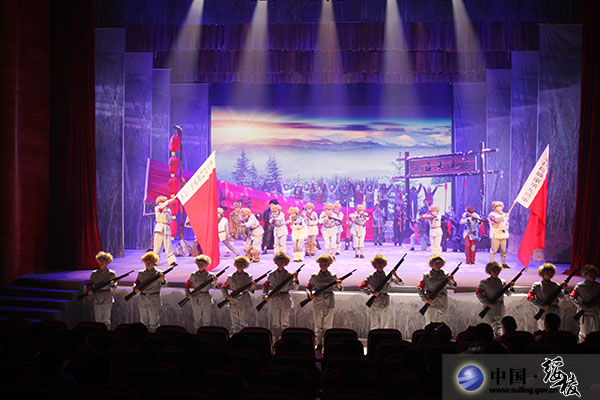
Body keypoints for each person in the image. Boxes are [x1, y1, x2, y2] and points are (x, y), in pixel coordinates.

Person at [306, 254, 342, 350]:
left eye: (325, 264)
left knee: (328, 325)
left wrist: (339, 285)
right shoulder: (314, 276)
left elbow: (338, 288)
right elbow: (308, 286)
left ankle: (327, 344)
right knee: (318, 325)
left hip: (329, 301)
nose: (323, 265)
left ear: (329, 264)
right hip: (318, 301)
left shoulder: (333, 275)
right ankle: (319, 344)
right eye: (321, 263)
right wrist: (309, 294)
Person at [359, 255, 404, 330]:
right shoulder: (371, 276)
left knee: (385, 325)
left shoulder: (389, 276)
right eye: (378, 263)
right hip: (375, 301)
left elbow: (401, 283)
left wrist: (395, 275)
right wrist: (371, 292)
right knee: (374, 325)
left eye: (381, 263)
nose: (380, 265)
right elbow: (361, 287)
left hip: (385, 300)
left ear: (384, 264)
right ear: (375, 265)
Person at [263, 252, 300, 340]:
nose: (280, 263)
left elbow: (295, 288)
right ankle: (276, 339)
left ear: (285, 262)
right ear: (276, 262)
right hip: (275, 297)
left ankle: (285, 339)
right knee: (275, 321)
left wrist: (296, 278)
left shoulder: (289, 274)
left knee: (285, 322)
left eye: (282, 261)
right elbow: (266, 285)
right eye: (278, 261)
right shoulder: (272, 274)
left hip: (285, 297)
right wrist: (265, 294)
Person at [476, 262, 514, 336]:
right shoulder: (485, 282)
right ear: (490, 271)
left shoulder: (502, 282)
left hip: (500, 307)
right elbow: (478, 293)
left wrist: (511, 288)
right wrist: (487, 303)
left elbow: (508, 294)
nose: (496, 272)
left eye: (498, 270)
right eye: (494, 270)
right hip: (490, 307)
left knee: (499, 327)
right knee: (489, 328)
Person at [417, 255, 457, 325]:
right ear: (432, 264)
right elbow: (419, 287)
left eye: (440, 263)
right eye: (436, 263)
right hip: (431, 303)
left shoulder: (445, 274)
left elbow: (453, 285)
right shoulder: (427, 275)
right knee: (429, 325)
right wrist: (425, 299)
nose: (438, 265)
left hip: (442, 303)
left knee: (440, 325)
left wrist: (452, 280)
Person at [527, 263, 568, 331]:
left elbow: (564, 297)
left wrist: (565, 289)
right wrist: (541, 305)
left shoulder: (555, 285)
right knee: (543, 331)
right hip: (543, 313)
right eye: (547, 272)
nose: (549, 274)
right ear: (542, 273)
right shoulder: (537, 285)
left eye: (551, 272)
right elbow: (529, 297)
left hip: (554, 312)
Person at [221, 256, 255, 334]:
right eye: (238, 263)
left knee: (243, 322)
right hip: (233, 300)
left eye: (241, 264)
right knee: (234, 322)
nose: (239, 265)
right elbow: (224, 287)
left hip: (244, 299)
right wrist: (227, 296)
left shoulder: (248, 276)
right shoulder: (230, 277)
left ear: (244, 265)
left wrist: (253, 286)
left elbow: (250, 290)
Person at [134, 251, 167, 332]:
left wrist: (163, 279)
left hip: (154, 298)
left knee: (153, 323)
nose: (148, 264)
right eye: (146, 262)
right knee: (143, 323)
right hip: (143, 298)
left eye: (150, 262)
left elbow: (164, 285)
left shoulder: (158, 273)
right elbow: (137, 282)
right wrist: (135, 287)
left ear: (153, 262)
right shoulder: (141, 273)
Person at [184, 255, 218, 330]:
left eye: (202, 263)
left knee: (206, 319)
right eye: (199, 263)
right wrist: (188, 294)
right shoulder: (193, 274)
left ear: (206, 264)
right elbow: (187, 285)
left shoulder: (210, 275)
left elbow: (215, 287)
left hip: (205, 297)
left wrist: (215, 281)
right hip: (195, 297)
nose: (200, 265)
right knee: (197, 318)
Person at [569, 264, 600, 342]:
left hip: (595, 312)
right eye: (590, 274)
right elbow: (572, 297)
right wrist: (580, 305)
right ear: (585, 275)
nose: (592, 276)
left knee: (595, 333)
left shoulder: (598, 286)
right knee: (584, 333)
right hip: (585, 313)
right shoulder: (580, 286)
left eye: (594, 274)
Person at [86, 251, 116, 328]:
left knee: (106, 320)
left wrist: (112, 284)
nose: (102, 263)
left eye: (104, 261)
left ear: (107, 262)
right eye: (100, 261)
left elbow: (114, 286)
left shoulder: (111, 273)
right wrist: (89, 289)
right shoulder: (94, 273)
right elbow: (90, 283)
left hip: (107, 296)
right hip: (97, 296)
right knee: (98, 319)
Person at [153, 195, 177, 267]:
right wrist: (168, 201)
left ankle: (172, 261)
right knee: (157, 246)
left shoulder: (168, 210)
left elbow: (169, 219)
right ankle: (155, 261)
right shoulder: (157, 208)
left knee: (168, 246)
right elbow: (161, 207)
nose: (161, 203)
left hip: (166, 228)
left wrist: (166, 213)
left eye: (163, 201)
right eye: (160, 201)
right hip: (159, 228)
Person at [488, 201, 510, 268]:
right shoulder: (492, 214)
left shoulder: (504, 214)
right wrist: (503, 217)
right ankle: (491, 263)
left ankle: (504, 263)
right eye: (497, 207)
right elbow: (495, 220)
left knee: (503, 250)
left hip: (503, 234)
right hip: (495, 234)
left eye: (500, 206)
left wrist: (505, 228)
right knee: (494, 250)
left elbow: (506, 224)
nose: (499, 208)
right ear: (494, 208)